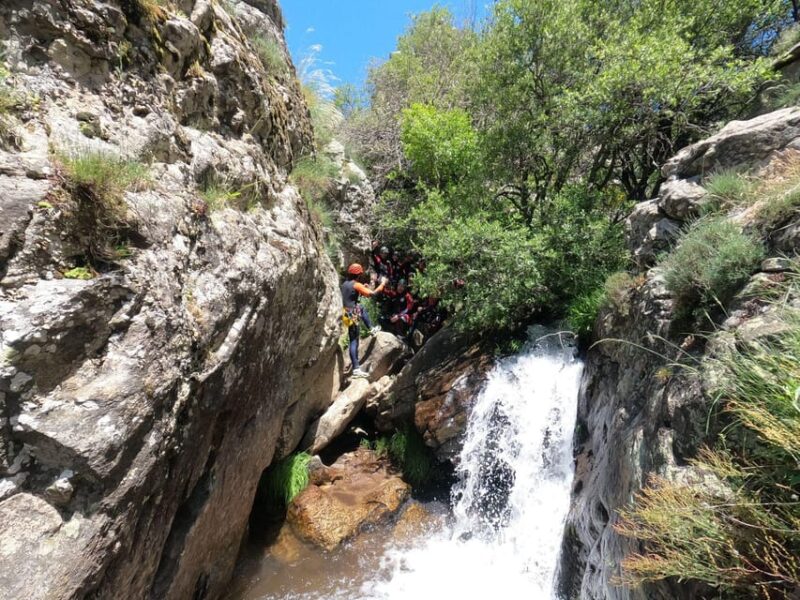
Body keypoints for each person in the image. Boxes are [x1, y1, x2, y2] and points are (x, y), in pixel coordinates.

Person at [341, 263, 385, 378]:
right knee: (354, 340)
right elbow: (373, 294)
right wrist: (382, 285)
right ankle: (356, 368)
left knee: (361, 308)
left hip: (345, 313)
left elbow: (351, 295)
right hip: (352, 313)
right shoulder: (356, 284)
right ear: (358, 275)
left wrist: (362, 287)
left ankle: (371, 328)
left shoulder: (345, 284)